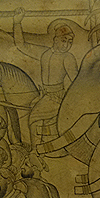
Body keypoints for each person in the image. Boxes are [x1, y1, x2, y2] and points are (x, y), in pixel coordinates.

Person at [13, 8, 78, 147]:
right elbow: (21, 45)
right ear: (55, 40)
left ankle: (35, 152)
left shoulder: (68, 58)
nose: (66, 45)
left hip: (58, 97)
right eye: (64, 40)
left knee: (34, 118)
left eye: (70, 42)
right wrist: (17, 23)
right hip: (45, 95)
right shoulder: (44, 54)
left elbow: (75, 81)